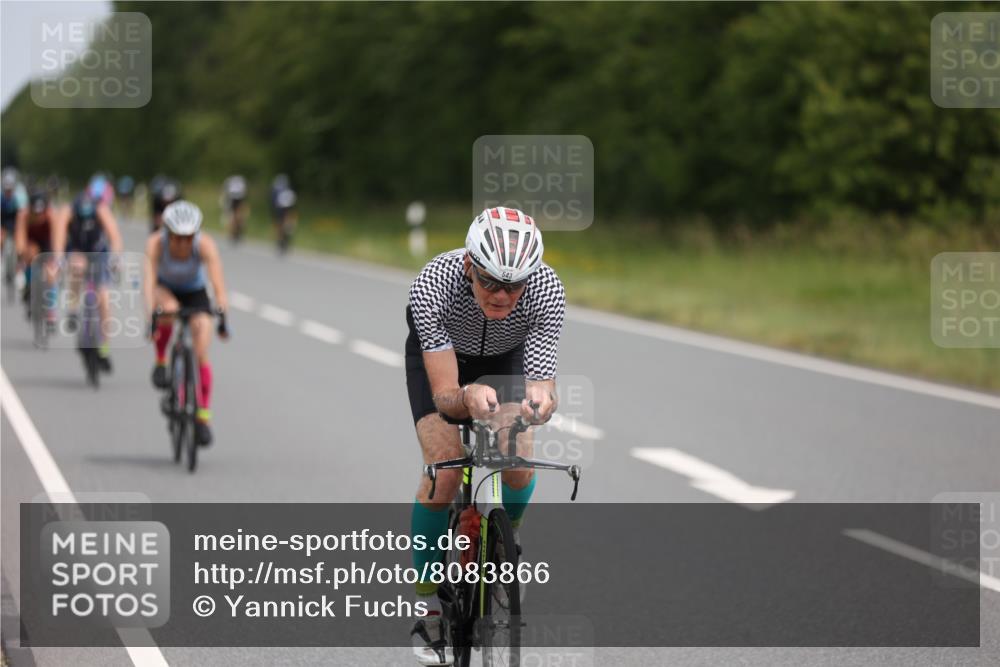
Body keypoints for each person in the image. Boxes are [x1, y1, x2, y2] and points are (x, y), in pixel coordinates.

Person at [404, 206, 565, 665]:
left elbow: (542, 383)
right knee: (445, 472)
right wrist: (468, 396)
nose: (501, 295)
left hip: (505, 356)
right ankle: (431, 605)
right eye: (490, 281)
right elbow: (445, 396)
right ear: (470, 266)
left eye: (513, 286)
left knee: (517, 461)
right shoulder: (434, 283)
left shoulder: (547, 290)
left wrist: (539, 404)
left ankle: (503, 543)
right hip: (442, 362)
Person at [144, 201, 229, 446]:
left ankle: (202, 416)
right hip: (165, 289)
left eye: (187, 237)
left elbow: (218, 284)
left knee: (202, 343)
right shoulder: (155, 244)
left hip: (195, 291)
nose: (182, 243)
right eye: (177, 237)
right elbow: (148, 285)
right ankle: (161, 361)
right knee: (168, 310)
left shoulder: (204, 245)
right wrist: (151, 317)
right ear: (167, 233)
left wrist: (222, 313)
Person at [51, 175, 125, 372]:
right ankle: (74, 309)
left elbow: (115, 236)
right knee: (76, 266)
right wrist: (58, 260)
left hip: (99, 252)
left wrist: (116, 258)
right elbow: (58, 238)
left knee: (104, 298)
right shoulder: (68, 210)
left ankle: (104, 348)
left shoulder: (101, 209)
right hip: (76, 250)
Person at [15, 189, 67, 324]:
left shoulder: (51, 215)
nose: (38, 216)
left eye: (41, 212)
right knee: (30, 254)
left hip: (47, 243)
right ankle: (28, 284)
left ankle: (51, 308)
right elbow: (20, 237)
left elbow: (57, 238)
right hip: (31, 242)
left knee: (51, 271)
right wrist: (21, 255)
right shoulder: (24, 215)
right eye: (35, 212)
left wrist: (58, 257)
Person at [269, 174, 297, 253]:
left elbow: (272, 205)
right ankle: (283, 237)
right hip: (284, 209)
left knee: (280, 224)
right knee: (285, 224)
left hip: (281, 209)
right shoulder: (288, 190)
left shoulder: (275, 191)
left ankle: (281, 239)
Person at [221, 174, 249, 243]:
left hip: (233, 197)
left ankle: (234, 233)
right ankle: (235, 232)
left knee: (233, 216)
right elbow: (245, 192)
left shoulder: (230, 180)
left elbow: (225, 192)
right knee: (238, 215)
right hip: (238, 197)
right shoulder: (241, 180)